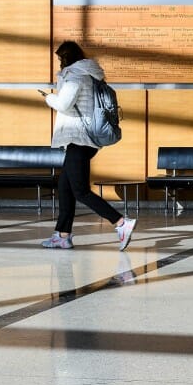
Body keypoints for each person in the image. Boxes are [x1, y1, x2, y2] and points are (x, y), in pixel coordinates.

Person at [40, 40, 135, 250]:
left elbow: (64, 104)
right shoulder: (88, 73)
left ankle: (120, 222)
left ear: (65, 58)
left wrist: (49, 99)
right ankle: (63, 235)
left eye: (60, 58)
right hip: (83, 139)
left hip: (79, 138)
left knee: (80, 190)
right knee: (65, 187)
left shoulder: (75, 75)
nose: (59, 63)